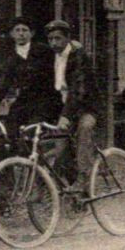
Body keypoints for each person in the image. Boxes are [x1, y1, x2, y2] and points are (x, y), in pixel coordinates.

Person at [0, 19, 60, 152]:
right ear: (12, 34)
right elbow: (3, 86)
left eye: (25, 30)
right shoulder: (10, 57)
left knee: (30, 137)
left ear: (32, 34)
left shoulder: (44, 51)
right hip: (24, 102)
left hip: (46, 103)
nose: (21, 34)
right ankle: (11, 168)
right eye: (17, 30)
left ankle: (35, 168)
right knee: (7, 138)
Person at [47, 18, 104, 186]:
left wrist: (66, 115)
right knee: (60, 146)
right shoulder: (52, 57)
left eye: (58, 38)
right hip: (66, 108)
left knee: (84, 131)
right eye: (50, 39)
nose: (54, 43)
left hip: (87, 107)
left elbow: (78, 90)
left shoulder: (79, 57)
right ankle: (66, 182)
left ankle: (84, 179)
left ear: (67, 38)